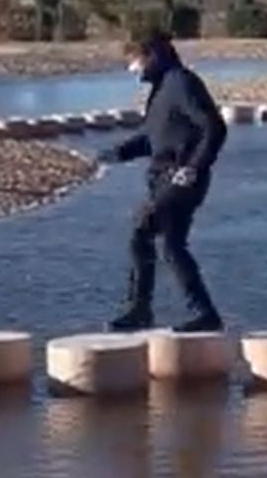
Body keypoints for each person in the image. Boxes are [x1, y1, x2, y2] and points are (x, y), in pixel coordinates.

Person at [97, 29, 228, 333]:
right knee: (171, 245)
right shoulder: (161, 88)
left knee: (142, 230)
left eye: (135, 61)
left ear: (152, 55)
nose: (132, 69)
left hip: (182, 179)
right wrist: (115, 154)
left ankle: (142, 310)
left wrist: (194, 167)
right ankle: (202, 314)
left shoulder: (182, 83)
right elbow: (154, 138)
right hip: (162, 178)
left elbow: (214, 127)